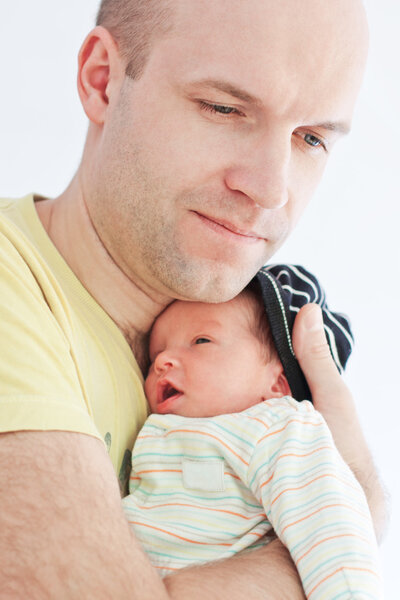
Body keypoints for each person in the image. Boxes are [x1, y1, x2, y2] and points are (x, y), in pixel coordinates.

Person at [0, 1, 386, 598]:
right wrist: (352, 512)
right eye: (225, 108)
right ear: (102, 80)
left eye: (310, 138)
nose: (270, 188)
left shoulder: (262, 357)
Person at [122, 266, 382, 598]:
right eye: (155, 355)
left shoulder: (276, 428)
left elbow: (331, 524)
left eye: (201, 341)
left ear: (277, 384)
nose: (163, 362)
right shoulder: (157, 431)